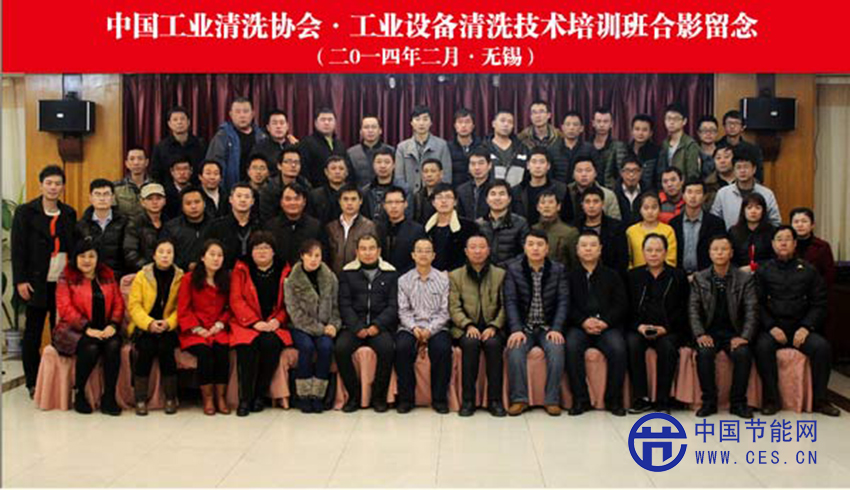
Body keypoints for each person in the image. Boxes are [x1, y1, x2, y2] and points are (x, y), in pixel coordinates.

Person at [753, 226, 839, 416]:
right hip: (774, 327)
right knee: (762, 348)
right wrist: (771, 326)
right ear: (773, 244)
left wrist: (806, 327)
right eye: (779, 239)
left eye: (787, 239)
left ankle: (820, 401)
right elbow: (757, 304)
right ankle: (771, 400)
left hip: (801, 327)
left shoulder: (809, 270)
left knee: (822, 348)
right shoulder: (764, 270)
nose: (783, 243)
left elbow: (819, 303)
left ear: (794, 244)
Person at [12, 165, 77, 396]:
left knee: (61, 333)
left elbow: (73, 247)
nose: (53, 187)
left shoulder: (69, 213)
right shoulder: (25, 212)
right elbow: (18, 249)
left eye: (57, 183)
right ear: (41, 185)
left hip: (61, 284)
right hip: (35, 283)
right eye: (49, 183)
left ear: (63, 187)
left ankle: (58, 381)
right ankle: (33, 382)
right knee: (33, 333)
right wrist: (20, 281)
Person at [54, 237, 125, 415]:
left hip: (105, 327)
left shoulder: (107, 274)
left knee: (113, 345)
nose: (87, 260)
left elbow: (118, 302)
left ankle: (109, 397)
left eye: (91, 256)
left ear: (98, 258)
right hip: (74, 329)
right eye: (82, 256)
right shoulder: (67, 276)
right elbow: (65, 308)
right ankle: (79, 393)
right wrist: (86, 328)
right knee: (91, 347)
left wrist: (113, 324)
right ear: (75, 258)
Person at [689, 235, 757, 418]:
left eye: (724, 249)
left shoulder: (744, 278)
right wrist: (700, 334)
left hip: (734, 332)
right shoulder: (700, 278)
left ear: (731, 253)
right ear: (709, 253)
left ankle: (738, 403)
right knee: (704, 353)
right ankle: (709, 402)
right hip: (709, 331)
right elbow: (693, 310)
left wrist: (744, 336)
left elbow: (752, 310)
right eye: (715, 249)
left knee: (743, 354)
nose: (719, 253)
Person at [504, 230, 569, 416]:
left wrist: (556, 328)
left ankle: (552, 400)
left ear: (547, 248)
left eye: (540, 245)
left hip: (548, 327)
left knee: (556, 349)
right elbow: (510, 301)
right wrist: (516, 329)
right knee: (515, 350)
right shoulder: (514, 269)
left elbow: (563, 301)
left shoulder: (558, 270)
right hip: (524, 327)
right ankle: (519, 399)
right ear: (524, 247)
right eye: (531, 244)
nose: (535, 248)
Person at [565, 230, 629, 416]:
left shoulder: (612, 275)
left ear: (600, 249)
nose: (588, 249)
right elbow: (566, 304)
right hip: (580, 326)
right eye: (584, 245)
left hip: (606, 326)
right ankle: (580, 399)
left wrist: (605, 322)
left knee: (618, 348)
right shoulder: (569, 276)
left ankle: (613, 400)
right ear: (577, 250)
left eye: (593, 245)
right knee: (571, 347)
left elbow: (621, 304)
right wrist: (583, 321)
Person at [229, 231, 293, 417]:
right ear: (250, 252)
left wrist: (277, 320)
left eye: (266, 248)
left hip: (273, 322)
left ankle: (259, 394)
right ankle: (245, 399)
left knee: (271, 344)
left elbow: (289, 302)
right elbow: (236, 300)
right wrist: (254, 322)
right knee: (246, 348)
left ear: (273, 251)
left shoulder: (285, 269)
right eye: (257, 248)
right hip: (246, 323)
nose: (262, 252)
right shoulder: (241, 268)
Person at [626, 233, 689, 414]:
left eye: (658, 250)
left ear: (666, 252)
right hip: (640, 328)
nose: (653, 254)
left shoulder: (678, 276)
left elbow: (683, 308)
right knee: (632, 344)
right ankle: (641, 398)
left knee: (667, 347)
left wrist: (666, 328)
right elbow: (627, 307)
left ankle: (663, 400)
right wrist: (638, 326)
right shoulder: (633, 276)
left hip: (669, 328)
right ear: (643, 252)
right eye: (649, 250)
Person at [335, 234, 398, 413]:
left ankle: (378, 397)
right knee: (340, 349)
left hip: (380, 326)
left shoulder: (391, 273)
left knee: (388, 349)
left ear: (379, 251)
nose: (367, 253)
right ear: (357, 252)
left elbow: (393, 306)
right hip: (354, 326)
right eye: (363, 249)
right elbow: (344, 304)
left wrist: (377, 326)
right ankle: (354, 396)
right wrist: (357, 327)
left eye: (371, 248)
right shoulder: (347, 273)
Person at [449, 234, 507, 417]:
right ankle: (468, 400)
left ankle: (495, 400)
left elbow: (506, 306)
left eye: (482, 247)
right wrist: (467, 325)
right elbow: (453, 307)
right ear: (466, 251)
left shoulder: (500, 274)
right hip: (465, 328)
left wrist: (494, 326)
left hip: (492, 327)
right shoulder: (455, 275)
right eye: (473, 247)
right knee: (470, 344)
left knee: (493, 345)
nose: (477, 251)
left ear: (488, 250)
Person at [395, 238, 453, 414]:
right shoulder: (403, 280)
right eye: (419, 251)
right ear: (413, 255)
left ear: (433, 255)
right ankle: (406, 399)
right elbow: (403, 310)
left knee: (442, 349)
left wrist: (430, 330)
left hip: (437, 327)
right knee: (402, 348)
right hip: (410, 327)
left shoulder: (443, 279)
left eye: (427, 251)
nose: (423, 254)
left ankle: (439, 399)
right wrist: (414, 328)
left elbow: (445, 311)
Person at [127, 238, 183, 415]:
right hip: (145, 325)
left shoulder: (180, 277)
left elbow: (181, 307)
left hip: (168, 326)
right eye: (161, 252)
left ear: (174, 255)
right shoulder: (142, 276)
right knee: (145, 349)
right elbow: (134, 305)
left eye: (169, 252)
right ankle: (140, 399)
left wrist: (169, 323)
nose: (165, 256)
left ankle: (170, 398)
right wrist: (149, 323)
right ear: (154, 255)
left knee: (166, 349)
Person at [284, 240, 340, 413]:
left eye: (317, 255)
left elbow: (336, 307)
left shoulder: (330, 277)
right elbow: (295, 314)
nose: (314, 259)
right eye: (309, 255)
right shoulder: (291, 281)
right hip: (300, 326)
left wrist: (333, 325)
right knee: (306, 347)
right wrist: (321, 329)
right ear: (302, 256)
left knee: (326, 346)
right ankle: (303, 395)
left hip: (325, 325)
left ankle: (318, 395)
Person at [177, 240, 231, 416]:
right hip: (194, 332)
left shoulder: (226, 279)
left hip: (218, 330)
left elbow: (229, 308)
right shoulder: (188, 279)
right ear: (202, 257)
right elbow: (183, 309)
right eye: (212, 255)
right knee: (205, 353)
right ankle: (207, 398)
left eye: (220, 255)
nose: (216, 259)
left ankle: (221, 397)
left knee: (222, 351)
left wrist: (219, 325)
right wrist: (198, 329)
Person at [205, 97, 268, 190]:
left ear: (252, 114)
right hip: (230, 189)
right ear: (231, 114)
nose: (242, 115)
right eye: (238, 112)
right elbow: (214, 165)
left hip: (258, 190)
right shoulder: (222, 136)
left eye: (245, 111)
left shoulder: (261, 136)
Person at [711, 147, 780, 229]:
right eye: (738, 167)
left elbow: (775, 222)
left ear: (754, 169)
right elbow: (714, 221)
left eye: (746, 167)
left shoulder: (766, 194)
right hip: (730, 236)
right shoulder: (723, 194)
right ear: (734, 170)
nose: (742, 171)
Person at [669, 180, 726, 275]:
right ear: (683, 195)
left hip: (707, 275)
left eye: (698, 192)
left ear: (704, 197)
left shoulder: (716, 223)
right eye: (689, 192)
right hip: (679, 275)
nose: (693, 196)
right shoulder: (674, 223)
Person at [76, 179, 128, 277]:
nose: (102, 198)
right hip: (90, 277)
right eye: (97, 194)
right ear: (90, 198)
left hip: (118, 277)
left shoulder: (125, 223)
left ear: (113, 197)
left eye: (106, 194)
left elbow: (128, 254)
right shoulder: (81, 225)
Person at [203, 183, 261, 269]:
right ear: (230, 199)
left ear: (252, 201)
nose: (243, 200)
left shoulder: (260, 226)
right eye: (239, 196)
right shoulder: (216, 226)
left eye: (247, 197)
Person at [265, 183, 323, 268]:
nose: (292, 203)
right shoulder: (270, 227)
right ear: (281, 202)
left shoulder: (315, 226)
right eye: (288, 199)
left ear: (304, 202)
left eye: (297, 199)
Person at [396, 105, 453, 191]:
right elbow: (399, 177)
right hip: (409, 195)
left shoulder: (442, 145)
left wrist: (439, 194)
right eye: (417, 119)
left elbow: (446, 176)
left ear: (431, 123)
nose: (421, 123)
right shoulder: (402, 147)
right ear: (411, 123)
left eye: (425, 119)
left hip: (435, 194)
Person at [425, 183, 480, 272]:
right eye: (439, 197)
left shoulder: (469, 227)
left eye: (448, 197)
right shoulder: (426, 229)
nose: (444, 201)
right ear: (433, 203)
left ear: (455, 202)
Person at [511, 148, 572, 225]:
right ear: (528, 165)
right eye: (534, 162)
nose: (538, 166)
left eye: (542, 162)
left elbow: (568, 219)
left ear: (548, 166)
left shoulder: (561, 189)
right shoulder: (516, 191)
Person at [576, 187, 629, 275]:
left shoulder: (617, 227)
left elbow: (622, 259)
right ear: (582, 205)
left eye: (596, 201)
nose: (591, 206)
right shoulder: (575, 228)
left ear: (603, 204)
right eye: (587, 202)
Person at [325, 184, 377, 274]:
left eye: (353, 199)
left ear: (360, 201)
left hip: (359, 276)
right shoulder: (331, 227)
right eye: (345, 199)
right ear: (339, 201)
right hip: (334, 276)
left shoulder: (369, 227)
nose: (349, 203)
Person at [477, 180, 530, 266]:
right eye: (493, 194)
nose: (497, 198)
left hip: (511, 271)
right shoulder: (479, 224)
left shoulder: (520, 223)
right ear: (486, 199)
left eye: (502, 194)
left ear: (509, 199)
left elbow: (525, 252)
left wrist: (504, 267)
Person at [375, 186, 427, 273]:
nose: (393, 206)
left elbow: (420, 258)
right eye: (389, 202)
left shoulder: (417, 230)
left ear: (405, 204)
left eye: (398, 202)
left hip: (408, 276)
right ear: (384, 205)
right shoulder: (378, 229)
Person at [150, 106, 207, 185]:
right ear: (169, 124)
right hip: (168, 190)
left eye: (182, 119)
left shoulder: (200, 144)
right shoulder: (161, 147)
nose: (179, 122)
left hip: (196, 189)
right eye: (175, 119)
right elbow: (156, 173)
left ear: (188, 122)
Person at [162, 186, 213, 271]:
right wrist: (186, 265)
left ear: (204, 203)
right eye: (188, 203)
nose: (193, 206)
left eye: (197, 202)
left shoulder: (215, 225)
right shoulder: (171, 228)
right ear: (182, 207)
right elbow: (165, 254)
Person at [258, 147, 314, 222]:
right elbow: (267, 217)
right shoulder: (269, 189)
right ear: (279, 166)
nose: (293, 165)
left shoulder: (306, 186)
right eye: (288, 162)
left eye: (296, 162)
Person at [299, 107, 350, 188]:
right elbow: (303, 171)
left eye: (330, 120)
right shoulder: (307, 143)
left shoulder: (340, 145)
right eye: (323, 120)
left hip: (340, 190)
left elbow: (347, 169)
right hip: (316, 191)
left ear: (335, 123)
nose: (326, 123)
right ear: (315, 123)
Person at [124, 183, 168, 273]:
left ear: (164, 201)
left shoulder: (170, 222)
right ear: (142, 202)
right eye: (150, 199)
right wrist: (151, 269)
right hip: (141, 272)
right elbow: (130, 253)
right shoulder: (135, 224)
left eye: (158, 198)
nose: (154, 202)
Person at [626, 193, 677, 269]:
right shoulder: (631, 231)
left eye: (654, 208)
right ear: (640, 210)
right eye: (646, 208)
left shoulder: (668, 230)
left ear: (660, 209)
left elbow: (671, 260)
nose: (650, 211)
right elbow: (628, 259)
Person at [360, 147, 411, 223]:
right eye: (379, 162)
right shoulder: (366, 191)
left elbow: (408, 216)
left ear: (394, 165)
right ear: (373, 165)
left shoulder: (404, 189)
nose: (383, 166)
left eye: (387, 162)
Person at [790, 207, 837, 287]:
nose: (800, 225)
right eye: (796, 222)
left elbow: (829, 275)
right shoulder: (785, 245)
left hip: (816, 290)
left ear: (812, 225)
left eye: (804, 221)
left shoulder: (822, 246)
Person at [729, 193, 776, 271]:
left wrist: (755, 267)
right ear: (743, 211)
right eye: (749, 208)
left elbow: (773, 258)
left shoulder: (771, 231)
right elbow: (730, 257)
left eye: (758, 208)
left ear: (763, 211)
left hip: (765, 272)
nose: (753, 211)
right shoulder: (734, 232)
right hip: (739, 272)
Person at [655, 103, 700, 184]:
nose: (671, 122)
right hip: (666, 186)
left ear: (684, 121)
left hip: (683, 186)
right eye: (668, 118)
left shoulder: (690, 144)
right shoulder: (664, 143)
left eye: (675, 119)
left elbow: (692, 173)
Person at [484, 110, 529, 187]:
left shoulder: (522, 149)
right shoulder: (484, 148)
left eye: (510, 122)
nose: (506, 124)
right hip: (491, 192)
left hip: (518, 192)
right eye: (502, 121)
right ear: (493, 124)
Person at [347, 115, 395, 187]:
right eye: (366, 127)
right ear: (361, 131)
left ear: (380, 131)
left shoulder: (391, 151)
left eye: (374, 127)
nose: (370, 130)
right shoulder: (351, 153)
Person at [718, 110, 764, 182]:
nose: (732, 126)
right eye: (729, 123)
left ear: (742, 127)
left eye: (736, 123)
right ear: (724, 126)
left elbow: (759, 177)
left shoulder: (753, 150)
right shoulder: (717, 147)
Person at [549, 111, 595, 184]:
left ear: (581, 128)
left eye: (575, 124)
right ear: (562, 127)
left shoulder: (589, 149)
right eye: (568, 124)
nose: (571, 128)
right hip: (558, 188)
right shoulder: (552, 149)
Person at [252, 110, 299, 178]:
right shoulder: (259, 148)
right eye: (274, 123)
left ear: (287, 126)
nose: (278, 126)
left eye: (282, 123)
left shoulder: (294, 146)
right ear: (268, 128)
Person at [591, 107, 628, 189]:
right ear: (593, 123)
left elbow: (622, 172)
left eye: (605, 121)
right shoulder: (586, 146)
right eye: (598, 121)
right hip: (589, 190)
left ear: (611, 124)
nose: (602, 125)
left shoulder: (618, 146)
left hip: (610, 190)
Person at [447, 108, 482, 188]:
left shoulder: (481, 145)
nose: (463, 125)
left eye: (467, 122)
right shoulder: (447, 147)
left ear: (473, 126)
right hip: (454, 189)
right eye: (460, 122)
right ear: (455, 126)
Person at [309, 156, 349, 225]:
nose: (337, 172)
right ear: (326, 172)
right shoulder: (315, 195)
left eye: (341, 168)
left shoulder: (355, 194)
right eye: (333, 168)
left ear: (347, 172)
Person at [113, 147, 151, 219]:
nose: (136, 163)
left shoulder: (155, 186)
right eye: (132, 159)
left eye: (140, 159)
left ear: (146, 162)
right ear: (126, 163)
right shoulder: (116, 187)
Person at [455, 148, 493, 221]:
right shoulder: (462, 190)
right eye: (473, 164)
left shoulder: (495, 188)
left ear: (489, 165)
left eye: (481, 163)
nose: (477, 167)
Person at [627, 114, 661, 191]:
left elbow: (660, 178)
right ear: (632, 131)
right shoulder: (625, 150)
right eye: (637, 129)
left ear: (651, 133)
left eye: (644, 130)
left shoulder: (657, 152)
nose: (640, 133)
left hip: (649, 193)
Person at [613, 156, 644, 226]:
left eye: (635, 171)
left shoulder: (647, 192)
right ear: (621, 173)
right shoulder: (614, 193)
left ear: (640, 172)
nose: (631, 174)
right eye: (627, 171)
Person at [703, 146, 735, 211]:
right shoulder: (707, 184)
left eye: (726, 157)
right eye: (718, 158)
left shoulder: (744, 181)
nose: (722, 161)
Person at [412, 159, 443, 224]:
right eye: (426, 172)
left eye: (433, 171)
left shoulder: (446, 196)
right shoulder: (417, 197)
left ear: (441, 174)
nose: (429, 175)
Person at [163, 155, 194, 221]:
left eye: (185, 169)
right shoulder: (165, 193)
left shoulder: (197, 191)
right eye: (178, 169)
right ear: (172, 171)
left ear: (191, 170)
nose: (182, 173)